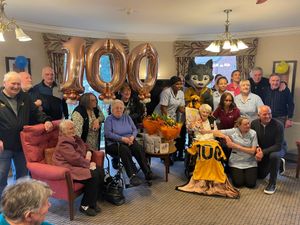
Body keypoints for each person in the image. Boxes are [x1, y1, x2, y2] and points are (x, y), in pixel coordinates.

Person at [0, 72, 53, 197]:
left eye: (18, 84)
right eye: (13, 83)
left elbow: (36, 112)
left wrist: (46, 120)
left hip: (22, 144)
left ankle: (19, 203)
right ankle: (2, 208)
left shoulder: (25, 97)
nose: (16, 86)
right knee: (1, 177)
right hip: (3, 146)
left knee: (22, 177)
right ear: (4, 84)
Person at [52, 120, 104, 217]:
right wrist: (88, 164)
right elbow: (74, 159)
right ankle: (84, 205)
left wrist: (88, 152)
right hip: (68, 168)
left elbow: (86, 146)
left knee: (100, 170)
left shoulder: (74, 138)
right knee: (93, 175)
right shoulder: (63, 143)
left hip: (77, 165)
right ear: (63, 131)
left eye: (73, 127)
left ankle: (92, 202)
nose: (73, 130)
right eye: (70, 128)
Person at [104, 100, 152, 186]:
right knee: (124, 150)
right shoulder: (109, 119)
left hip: (129, 140)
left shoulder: (127, 117)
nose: (118, 110)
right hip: (114, 143)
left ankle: (147, 171)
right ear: (112, 109)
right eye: (116, 108)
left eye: (120, 108)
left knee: (138, 148)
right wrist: (122, 139)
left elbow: (134, 129)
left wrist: (132, 137)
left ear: (123, 109)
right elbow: (108, 134)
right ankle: (132, 176)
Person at [203, 116, 258, 188]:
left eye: (248, 123)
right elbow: (216, 132)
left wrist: (235, 146)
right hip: (236, 161)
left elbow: (252, 151)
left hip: (250, 161)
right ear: (239, 125)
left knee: (251, 184)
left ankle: (246, 173)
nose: (248, 126)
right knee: (238, 183)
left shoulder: (253, 133)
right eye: (245, 124)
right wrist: (226, 137)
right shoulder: (233, 131)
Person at [251, 105, 284, 194]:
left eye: (269, 114)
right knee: (260, 176)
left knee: (274, 156)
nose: (268, 116)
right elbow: (253, 139)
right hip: (262, 149)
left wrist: (263, 152)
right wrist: (258, 150)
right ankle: (278, 164)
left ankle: (272, 184)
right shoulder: (254, 123)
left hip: (277, 148)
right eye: (265, 114)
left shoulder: (278, 125)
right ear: (259, 115)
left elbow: (278, 145)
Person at [263, 73, 294, 162]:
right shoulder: (265, 90)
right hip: (267, 117)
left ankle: (280, 156)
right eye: (273, 80)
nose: (275, 82)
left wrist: (289, 119)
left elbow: (291, 105)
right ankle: (271, 157)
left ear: (280, 82)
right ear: (269, 81)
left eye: (277, 80)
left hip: (281, 117)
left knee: (279, 138)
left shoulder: (285, 90)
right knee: (268, 137)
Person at [154, 76, 185, 161]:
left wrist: (189, 111)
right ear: (172, 85)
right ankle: (164, 157)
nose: (179, 86)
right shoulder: (166, 92)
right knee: (164, 137)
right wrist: (167, 121)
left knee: (172, 138)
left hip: (172, 117)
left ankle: (170, 155)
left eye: (180, 84)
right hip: (161, 116)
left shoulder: (181, 93)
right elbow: (163, 108)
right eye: (177, 84)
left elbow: (180, 108)